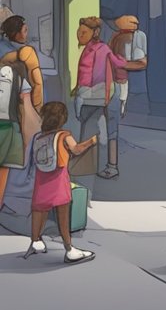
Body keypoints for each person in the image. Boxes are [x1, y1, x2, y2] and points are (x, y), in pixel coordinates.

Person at [27, 102, 97, 263]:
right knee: (62, 212)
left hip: (41, 177)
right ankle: (69, 249)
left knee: (39, 208)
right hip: (58, 177)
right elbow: (76, 149)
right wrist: (91, 141)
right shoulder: (64, 135)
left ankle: (36, 241)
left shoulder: (38, 137)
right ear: (62, 118)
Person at [73, 17, 143, 180]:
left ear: (95, 32)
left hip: (100, 95)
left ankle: (106, 166)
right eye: (79, 31)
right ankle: (101, 166)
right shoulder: (93, 48)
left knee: (100, 131)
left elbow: (118, 62)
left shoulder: (101, 48)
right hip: (98, 95)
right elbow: (119, 62)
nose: (80, 35)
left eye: (84, 31)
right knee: (104, 131)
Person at [0, 15, 43, 203]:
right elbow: (37, 83)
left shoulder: (5, 50)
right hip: (15, 111)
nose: (27, 34)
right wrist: (38, 108)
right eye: (25, 31)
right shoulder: (27, 53)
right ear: (16, 33)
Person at [110, 15, 147, 121]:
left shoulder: (138, 36)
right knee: (120, 94)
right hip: (119, 74)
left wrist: (121, 63)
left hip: (123, 74)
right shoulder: (117, 36)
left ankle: (120, 109)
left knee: (121, 94)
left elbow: (142, 62)